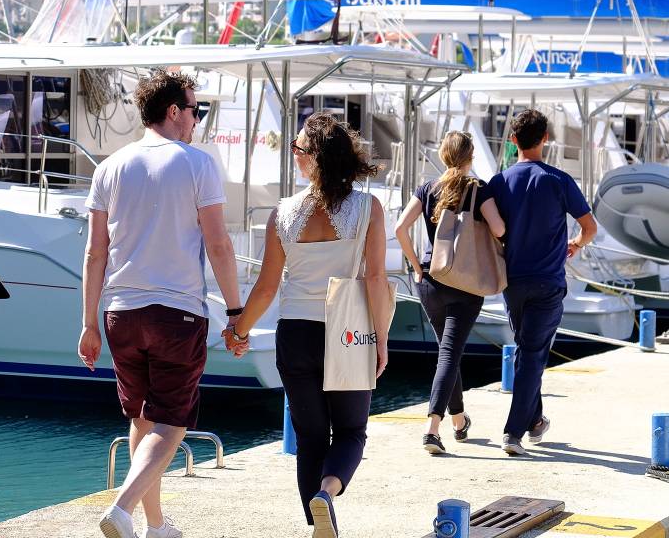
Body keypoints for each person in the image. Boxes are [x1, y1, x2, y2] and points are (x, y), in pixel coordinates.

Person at [78, 69, 244, 538]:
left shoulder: (109, 167)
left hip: (120, 312)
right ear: (173, 111)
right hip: (177, 312)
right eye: (195, 110)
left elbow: (95, 252)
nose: (196, 120)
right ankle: (123, 507)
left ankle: (154, 525)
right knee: (172, 422)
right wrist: (234, 312)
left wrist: (88, 323)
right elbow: (219, 245)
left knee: (141, 417)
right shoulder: (197, 163)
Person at [228, 112, 391, 538]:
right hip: (347, 329)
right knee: (352, 431)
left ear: (316, 158)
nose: (295, 154)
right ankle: (328, 494)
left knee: (310, 438)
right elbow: (375, 279)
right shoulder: (368, 209)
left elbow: (265, 287)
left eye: (300, 148)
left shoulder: (283, 213)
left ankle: (317, 520)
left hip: (295, 332)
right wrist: (382, 339)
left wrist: (240, 331)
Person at [486, 109, 597, 456]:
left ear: (513, 140)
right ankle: (513, 432)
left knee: (527, 353)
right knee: (531, 356)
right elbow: (590, 227)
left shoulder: (499, 182)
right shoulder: (559, 180)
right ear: (545, 138)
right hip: (548, 282)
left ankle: (534, 420)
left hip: (513, 282)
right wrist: (576, 245)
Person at [393, 131, 506, 455]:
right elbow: (499, 229)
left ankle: (458, 420)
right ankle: (432, 429)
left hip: (430, 279)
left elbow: (400, 228)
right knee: (449, 353)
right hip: (467, 285)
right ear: (470, 157)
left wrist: (416, 266)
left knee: (448, 351)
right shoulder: (476, 189)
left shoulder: (428, 189)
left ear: (443, 156)